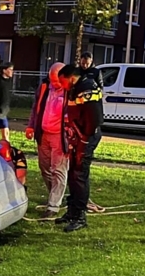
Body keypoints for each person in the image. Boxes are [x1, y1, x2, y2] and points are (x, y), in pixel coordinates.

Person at [61, 65, 104, 232]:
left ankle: (80, 216)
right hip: (78, 136)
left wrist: (84, 141)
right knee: (73, 173)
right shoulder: (76, 88)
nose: (61, 85)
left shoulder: (87, 88)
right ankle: (72, 211)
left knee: (80, 174)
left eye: (62, 81)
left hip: (86, 137)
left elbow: (94, 118)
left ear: (70, 77)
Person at [25, 62, 70, 219]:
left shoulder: (70, 91)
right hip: (43, 134)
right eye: (51, 80)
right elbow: (35, 108)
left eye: (56, 80)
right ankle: (56, 195)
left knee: (58, 170)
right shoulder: (44, 87)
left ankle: (53, 205)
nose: (54, 83)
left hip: (60, 136)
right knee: (45, 168)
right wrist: (31, 126)